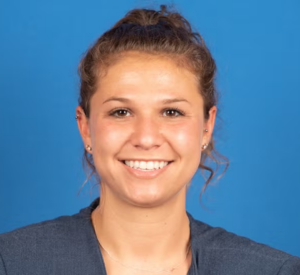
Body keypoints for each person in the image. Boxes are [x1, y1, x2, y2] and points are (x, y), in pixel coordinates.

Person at [0, 4, 299, 275]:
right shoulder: (12, 263)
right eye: (121, 112)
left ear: (207, 126)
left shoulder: (274, 271)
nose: (146, 137)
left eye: (171, 111)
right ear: (86, 127)